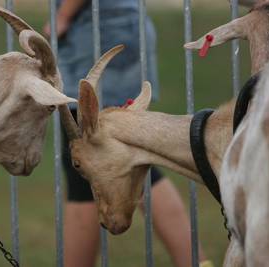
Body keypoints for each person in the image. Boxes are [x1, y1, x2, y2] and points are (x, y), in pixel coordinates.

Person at [44, 1, 213, 266]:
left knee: (87, 159)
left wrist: (63, 15)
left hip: (99, 33)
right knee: (125, 159)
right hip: (108, 28)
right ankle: (198, 263)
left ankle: (196, 261)